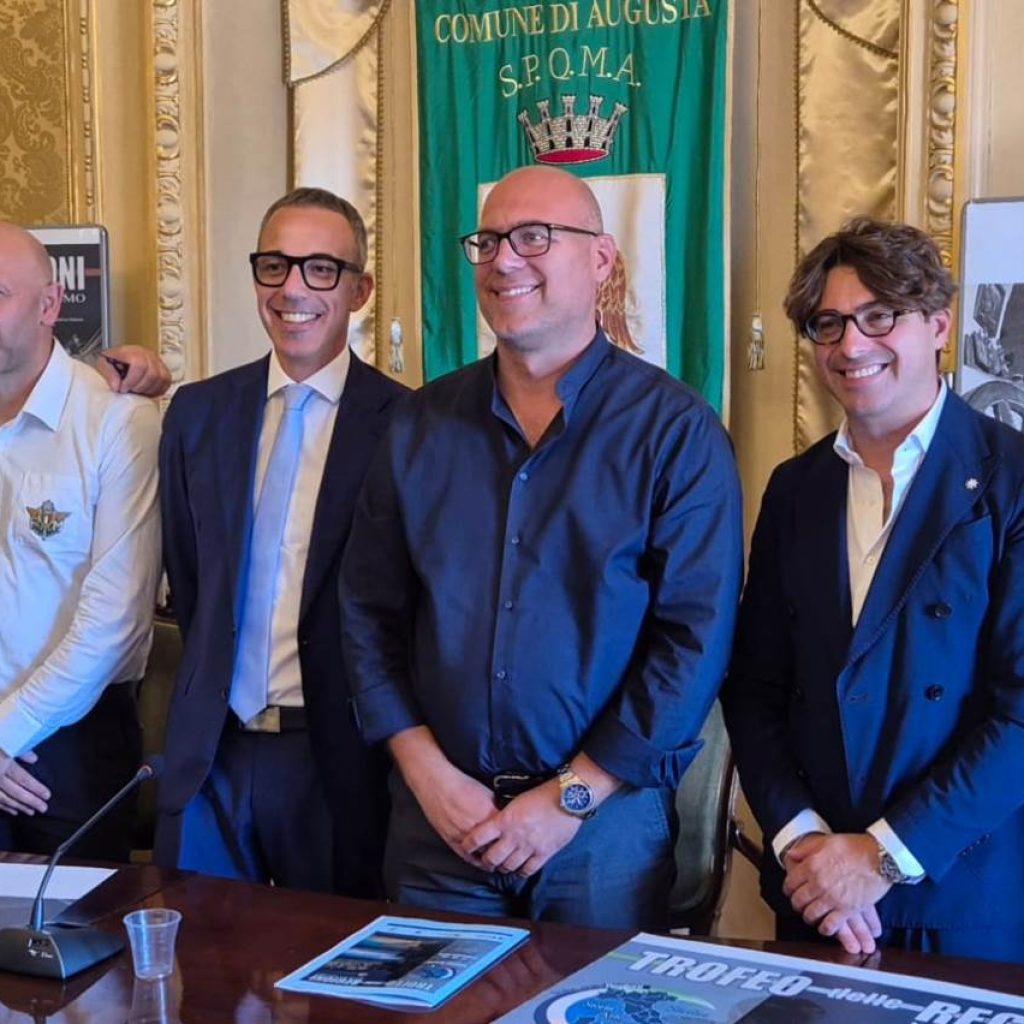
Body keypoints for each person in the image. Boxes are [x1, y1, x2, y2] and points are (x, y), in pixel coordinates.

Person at [340, 165, 743, 929]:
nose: (503, 260)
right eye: (488, 241)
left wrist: (572, 797)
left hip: (603, 831)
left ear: (601, 259)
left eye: (533, 237)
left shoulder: (676, 433)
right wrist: (425, 773)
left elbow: (694, 641)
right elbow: (367, 613)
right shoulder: (418, 427)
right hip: (441, 827)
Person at [722, 217, 1024, 964]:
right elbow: (755, 689)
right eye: (829, 324)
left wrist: (882, 856)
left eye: (879, 316)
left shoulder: (1012, 479)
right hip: (816, 893)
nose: (851, 345)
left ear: (939, 324)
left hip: (965, 895)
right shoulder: (795, 489)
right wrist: (804, 843)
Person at [154, 188, 406, 895]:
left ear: (360, 290)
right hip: (211, 755)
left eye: (321, 269)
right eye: (275, 265)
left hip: (337, 758)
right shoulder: (197, 414)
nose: (293, 289)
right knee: (197, 954)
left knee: (329, 957)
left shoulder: (408, 425)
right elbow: (191, 578)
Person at [0, 221, 161, 859]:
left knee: (77, 923)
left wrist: (4, 734)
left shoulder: (116, 420)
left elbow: (112, 624)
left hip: (71, 744)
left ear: (50, 304)